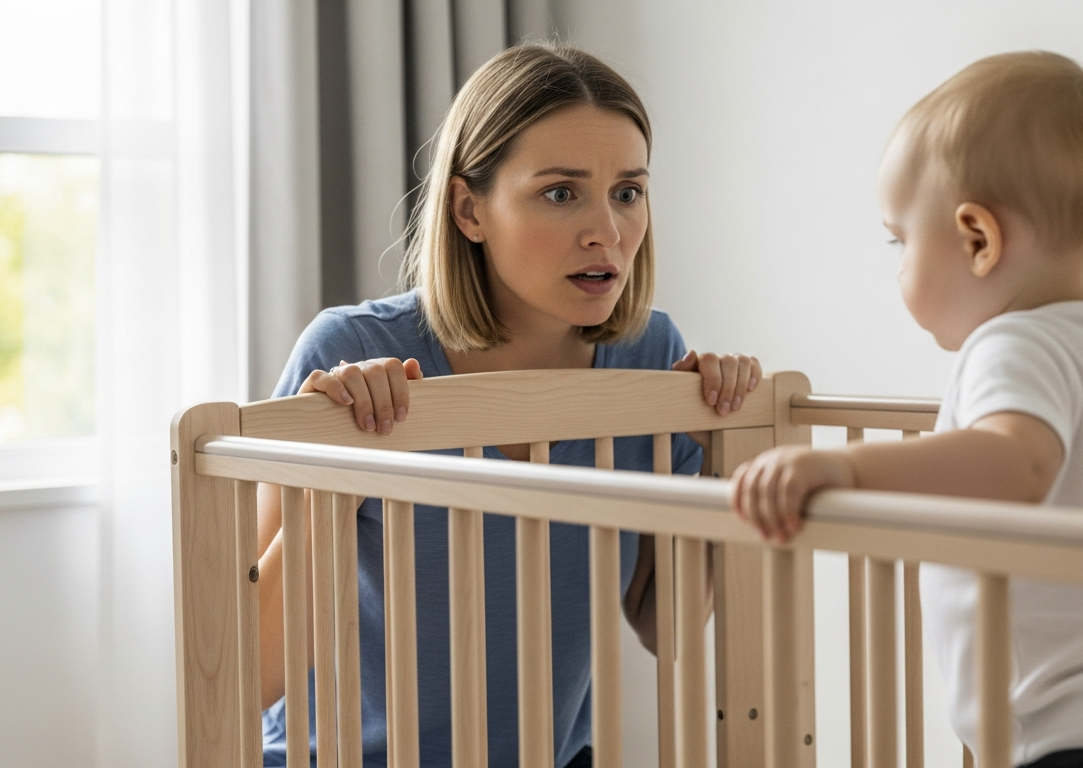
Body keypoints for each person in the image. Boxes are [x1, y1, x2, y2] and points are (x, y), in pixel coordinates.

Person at [256, 43, 762, 768]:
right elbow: (252, 674)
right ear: (469, 209)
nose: (607, 232)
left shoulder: (650, 358)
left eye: (628, 192)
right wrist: (339, 466)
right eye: (561, 192)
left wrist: (720, 452)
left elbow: (670, 628)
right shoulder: (348, 350)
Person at [730, 52, 1083, 768]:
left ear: (978, 240)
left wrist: (842, 465)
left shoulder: (1013, 343)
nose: (899, 265)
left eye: (900, 241)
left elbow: (1018, 463)